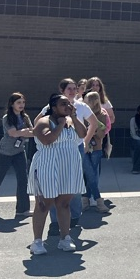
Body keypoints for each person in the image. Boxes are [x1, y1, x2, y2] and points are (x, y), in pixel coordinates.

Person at [36, 78, 98, 234]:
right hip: (52, 155)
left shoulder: (80, 107)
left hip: (74, 148)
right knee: (52, 191)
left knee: (73, 186)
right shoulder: (49, 111)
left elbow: (92, 125)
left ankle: (74, 218)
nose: (72, 91)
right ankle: (54, 223)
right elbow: (39, 127)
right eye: (69, 88)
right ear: (62, 90)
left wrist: (85, 141)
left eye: (74, 88)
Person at [28, 94, 87, 254]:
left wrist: (73, 117)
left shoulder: (71, 121)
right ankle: (37, 242)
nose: (68, 106)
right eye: (63, 104)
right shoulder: (43, 121)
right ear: (54, 108)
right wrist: (60, 124)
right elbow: (47, 140)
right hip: (48, 166)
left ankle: (65, 238)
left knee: (64, 203)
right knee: (43, 204)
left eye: (69, 104)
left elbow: (82, 134)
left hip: (68, 167)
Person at [0, 92, 34, 218]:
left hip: (19, 151)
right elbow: (12, 133)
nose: (21, 105)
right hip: (5, 152)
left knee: (23, 178)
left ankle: (22, 209)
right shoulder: (7, 117)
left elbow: (32, 132)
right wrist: (25, 131)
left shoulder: (25, 117)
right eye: (18, 102)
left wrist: (24, 132)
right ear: (12, 104)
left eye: (23, 102)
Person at [81, 91, 109, 213]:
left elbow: (102, 134)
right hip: (83, 146)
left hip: (96, 147)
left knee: (91, 174)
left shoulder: (102, 114)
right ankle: (99, 200)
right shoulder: (82, 113)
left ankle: (85, 200)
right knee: (89, 172)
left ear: (93, 102)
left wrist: (93, 128)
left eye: (87, 102)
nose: (84, 104)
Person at [85, 76, 115, 157]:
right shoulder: (82, 100)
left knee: (96, 157)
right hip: (85, 133)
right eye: (93, 85)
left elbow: (112, 118)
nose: (95, 87)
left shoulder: (105, 102)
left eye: (97, 85)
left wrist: (101, 124)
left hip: (99, 135)